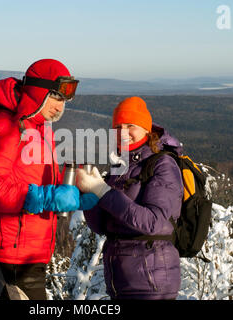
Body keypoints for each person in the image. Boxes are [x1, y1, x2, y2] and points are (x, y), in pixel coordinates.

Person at [0, 59, 97, 300]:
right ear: (39, 91)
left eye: (64, 100)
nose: (60, 107)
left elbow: (30, 175)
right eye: (56, 97)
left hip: (29, 251)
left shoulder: (37, 127)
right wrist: (42, 197)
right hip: (10, 256)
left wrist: (76, 189)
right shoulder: (4, 125)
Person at [76, 96, 184, 300]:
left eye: (130, 125)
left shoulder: (162, 164)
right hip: (121, 281)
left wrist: (102, 191)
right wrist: (87, 194)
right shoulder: (121, 166)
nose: (122, 133)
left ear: (145, 128)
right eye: (117, 127)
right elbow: (103, 226)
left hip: (150, 281)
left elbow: (153, 222)